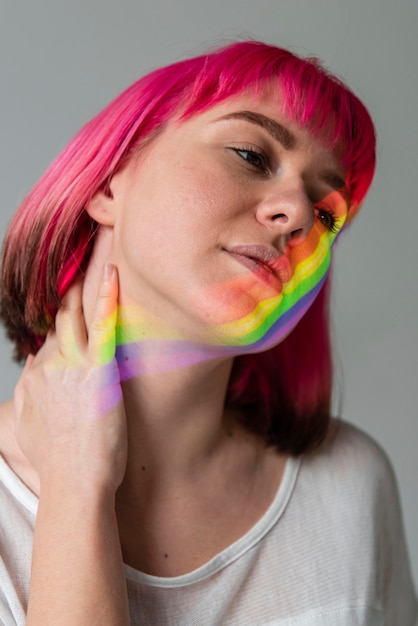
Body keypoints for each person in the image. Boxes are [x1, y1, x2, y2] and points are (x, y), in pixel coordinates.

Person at [0, 40, 416, 625]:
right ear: (110, 182)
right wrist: (75, 490)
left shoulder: (350, 486)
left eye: (327, 214)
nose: (298, 214)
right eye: (251, 154)